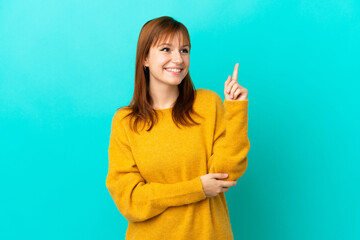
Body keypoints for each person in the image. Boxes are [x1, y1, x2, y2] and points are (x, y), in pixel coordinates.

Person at [105, 16, 250, 240]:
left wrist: (235, 110)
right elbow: (131, 200)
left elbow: (226, 173)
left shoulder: (208, 104)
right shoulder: (126, 122)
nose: (178, 59)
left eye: (184, 50)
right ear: (144, 57)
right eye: (166, 49)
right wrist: (197, 188)